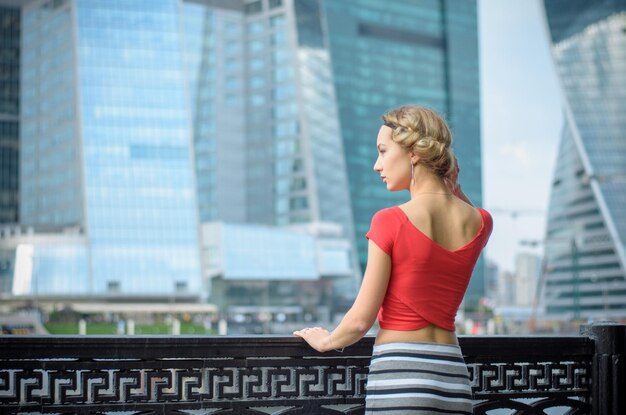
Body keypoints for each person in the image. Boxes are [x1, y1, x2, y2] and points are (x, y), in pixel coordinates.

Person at [294, 105, 493, 414]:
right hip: (454, 379)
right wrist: (449, 181)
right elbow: (458, 201)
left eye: (383, 151)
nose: (377, 165)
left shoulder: (390, 221)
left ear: (414, 153)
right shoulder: (480, 222)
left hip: (401, 377)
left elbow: (361, 320)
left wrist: (326, 341)